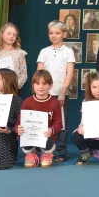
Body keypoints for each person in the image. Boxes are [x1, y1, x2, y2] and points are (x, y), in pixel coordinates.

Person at [36, 20, 75, 162]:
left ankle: (61, 152)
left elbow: (69, 73)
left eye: (57, 33)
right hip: (44, 93)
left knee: (61, 123)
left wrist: (63, 92)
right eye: (51, 33)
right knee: (43, 122)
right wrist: (40, 91)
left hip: (60, 94)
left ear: (64, 34)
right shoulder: (44, 52)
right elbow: (39, 72)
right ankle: (45, 150)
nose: (54, 36)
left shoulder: (68, 52)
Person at [16, 70, 63, 168]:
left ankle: (46, 153)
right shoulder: (27, 102)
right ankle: (30, 153)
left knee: (48, 135)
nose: (41, 87)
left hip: (46, 137)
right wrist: (18, 129)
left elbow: (59, 124)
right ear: (33, 85)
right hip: (30, 136)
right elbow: (19, 123)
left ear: (50, 86)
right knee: (23, 132)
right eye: (37, 83)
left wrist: (51, 130)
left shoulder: (54, 103)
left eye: (44, 83)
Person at [0, 22, 28, 90]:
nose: (11, 36)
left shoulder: (20, 54)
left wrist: (14, 86)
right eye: (9, 33)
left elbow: (23, 74)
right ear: (2, 34)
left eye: (14, 35)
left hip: (12, 91)